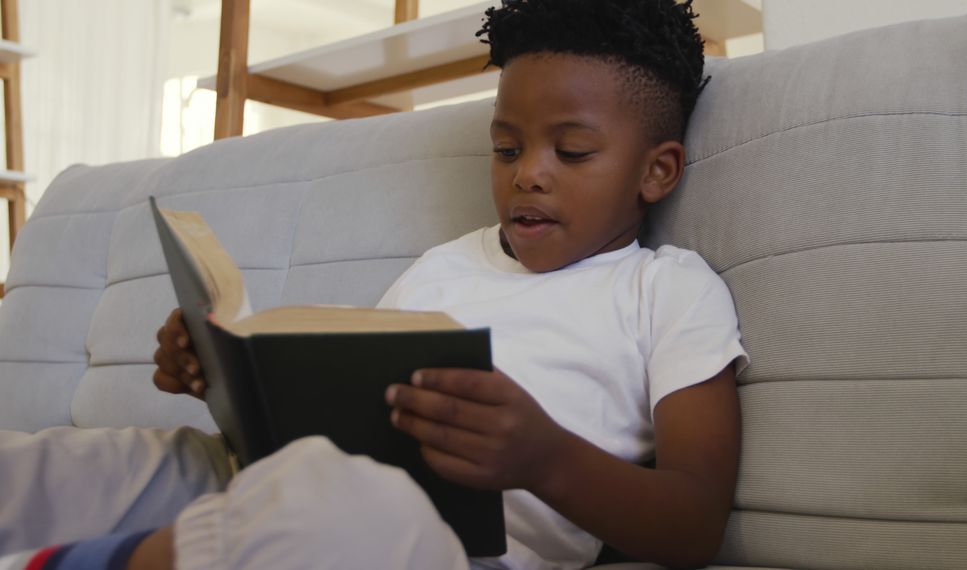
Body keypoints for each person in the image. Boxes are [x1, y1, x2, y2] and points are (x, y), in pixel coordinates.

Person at [0, 1, 746, 569]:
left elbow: (696, 520)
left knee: (344, 500)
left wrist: (545, 458)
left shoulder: (668, 292)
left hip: (438, 546)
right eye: (506, 147)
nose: (528, 172)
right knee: (117, 456)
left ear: (658, 170)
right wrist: (226, 379)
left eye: (572, 151)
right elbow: (342, 416)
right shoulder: (446, 265)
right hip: (287, 484)